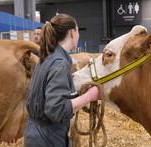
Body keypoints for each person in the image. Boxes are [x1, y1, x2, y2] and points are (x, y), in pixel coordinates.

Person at [24, 13, 100, 147]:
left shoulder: (46, 58)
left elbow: (46, 99)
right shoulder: (60, 63)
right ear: (72, 32)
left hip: (36, 134)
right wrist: (89, 96)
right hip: (48, 138)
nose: (79, 35)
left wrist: (78, 95)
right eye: (78, 31)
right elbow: (55, 110)